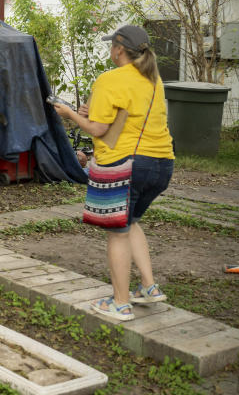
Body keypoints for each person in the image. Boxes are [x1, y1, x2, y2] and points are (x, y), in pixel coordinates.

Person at [53, 25, 174, 321]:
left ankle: (120, 303)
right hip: (161, 163)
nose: (111, 50)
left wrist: (68, 114)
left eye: (112, 46)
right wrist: (88, 114)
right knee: (130, 222)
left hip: (126, 164)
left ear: (119, 49)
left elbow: (99, 130)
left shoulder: (109, 79)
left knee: (117, 233)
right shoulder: (153, 80)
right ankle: (148, 287)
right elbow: (117, 118)